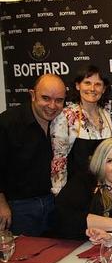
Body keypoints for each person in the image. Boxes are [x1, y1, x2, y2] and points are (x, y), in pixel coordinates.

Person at [0, 74, 66, 236]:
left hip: (54, 204)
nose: (52, 105)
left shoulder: (64, 123)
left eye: (59, 100)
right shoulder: (8, 122)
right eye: (46, 98)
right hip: (18, 208)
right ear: (32, 95)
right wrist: (1, 204)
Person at [54, 137, 112, 240]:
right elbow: (62, 217)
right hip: (75, 246)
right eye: (110, 161)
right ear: (99, 163)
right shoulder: (84, 181)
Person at [50, 65, 112, 195]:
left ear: (104, 89)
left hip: (105, 190)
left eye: (98, 84)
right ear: (78, 85)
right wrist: (60, 195)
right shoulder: (66, 116)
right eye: (87, 83)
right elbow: (59, 161)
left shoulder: (107, 115)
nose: (92, 88)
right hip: (76, 192)